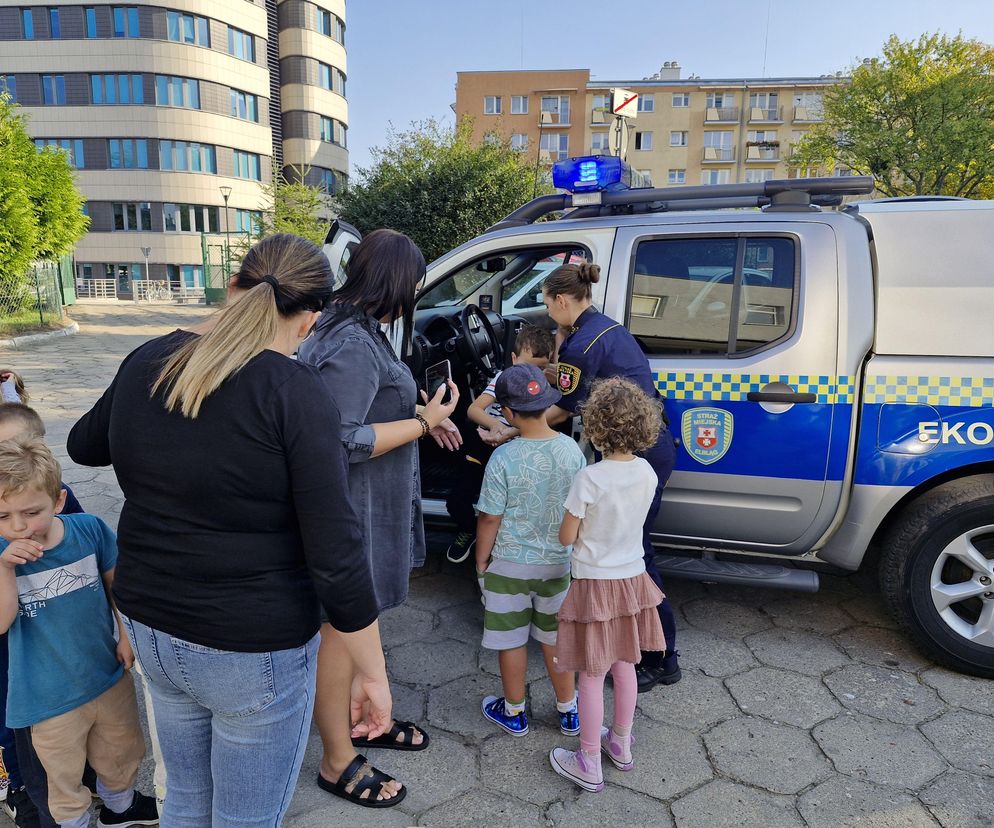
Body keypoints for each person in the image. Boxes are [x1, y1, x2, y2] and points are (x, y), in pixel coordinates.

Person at [67, 233, 393, 825]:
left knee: (187, 798)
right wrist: (373, 674)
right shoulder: (294, 392)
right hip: (251, 646)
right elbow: (337, 552)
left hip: (152, 627)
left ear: (234, 286)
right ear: (310, 317)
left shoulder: (151, 358)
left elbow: (82, 445)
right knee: (245, 817)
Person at [298, 228, 461, 809]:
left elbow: (363, 404)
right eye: (414, 280)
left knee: (352, 631)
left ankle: (365, 718)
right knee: (343, 631)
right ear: (395, 279)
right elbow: (337, 437)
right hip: (353, 511)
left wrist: (421, 411)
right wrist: (420, 424)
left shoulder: (348, 325)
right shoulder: (348, 339)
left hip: (365, 505)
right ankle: (337, 760)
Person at [0, 438, 158, 828]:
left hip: (104, 672)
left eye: (31, 512)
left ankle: (120, 808)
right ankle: (75, 822)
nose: (18, 527)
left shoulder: (88, 530)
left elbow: (116, 587)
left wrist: (125, 635)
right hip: (46, 694)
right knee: (61, 772)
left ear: (58, 501)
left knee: (121, 749)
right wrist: (4, 569)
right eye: (3, 516)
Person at [541, 259, 679, 692]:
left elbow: (563, 407)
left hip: (638, 456)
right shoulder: (604, 327)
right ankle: (635, 649)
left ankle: (661, 658)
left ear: (562, 300)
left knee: (637, 557)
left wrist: (514, 429)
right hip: (650, 448)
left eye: (546, 303)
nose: (546, 312)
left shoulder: (583, 343)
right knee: (633, 553)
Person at [548, 379, 667, 791]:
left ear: (594, 426)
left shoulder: (590, 478)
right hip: (632, 580)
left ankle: (587, 760)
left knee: (592, 675)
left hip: (595, 585)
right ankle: (620, 744)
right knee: (625, 665)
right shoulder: (647, 472)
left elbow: (566, 537)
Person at [475, 363, 585, 738]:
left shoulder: (503, 457)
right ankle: (569, 712)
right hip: (557, 564)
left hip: (509, 565)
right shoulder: (571, 450)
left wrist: (480, 560)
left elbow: (490, 517)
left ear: (506, 411)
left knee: (510, 640)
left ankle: (514, 711)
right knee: (556, 639)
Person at [0, 403, 89, 828]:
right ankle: (23, 791)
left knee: (74, 728)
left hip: (61, 643)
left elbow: (88, 547)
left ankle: (86, 788)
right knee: (16, 726)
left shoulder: (58, 499)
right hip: (13, 654)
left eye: (21, 447)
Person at [445, 325, 555, 563]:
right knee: (457, 500)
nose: (531, 374)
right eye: (525, 366)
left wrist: (510, 433)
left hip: (517, 452)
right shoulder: (503, 379)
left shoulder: (544, 387)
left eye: (540, 368)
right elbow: (474, 409)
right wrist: (495, 427)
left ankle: (499, 543)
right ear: (513, 358)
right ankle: (469, 529)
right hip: (484, 446)